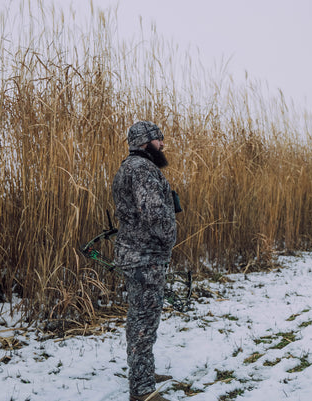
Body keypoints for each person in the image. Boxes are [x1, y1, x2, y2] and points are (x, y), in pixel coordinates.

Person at [112, 121, 177, 401]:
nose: (162, 145)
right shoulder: (141, 169)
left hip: (139, 255)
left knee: (142, 319)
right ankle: (142, 391)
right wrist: (170, 236)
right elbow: (154, 214)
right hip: (144, 259)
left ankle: (143, 372)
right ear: (145, 142)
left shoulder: (130, 167)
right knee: (143, 321)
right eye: (158, 140)